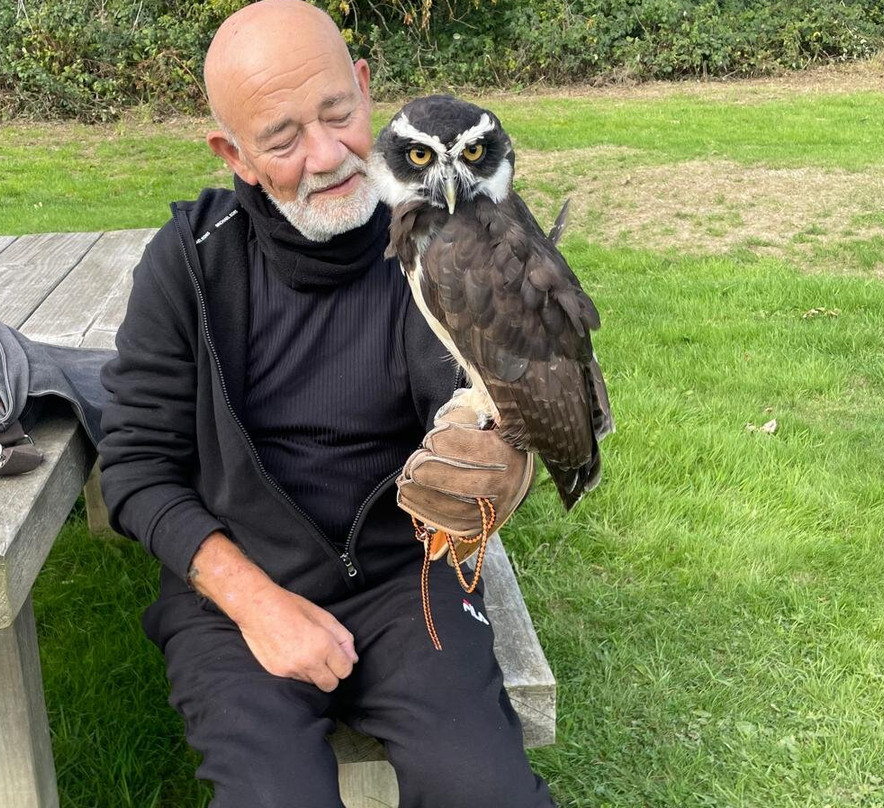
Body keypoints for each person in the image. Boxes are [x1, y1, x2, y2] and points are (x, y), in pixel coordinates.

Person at [98, 1, 557, 805]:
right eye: (280, 139)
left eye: (338, 114)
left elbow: (495, 408)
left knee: (486, 791)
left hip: (406, 577)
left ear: (365, 87)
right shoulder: (188, 266)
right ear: (232, 154)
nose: (328, 155)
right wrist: (255, 603)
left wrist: (501, 450)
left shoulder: (455, 247)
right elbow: (135, 468)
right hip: (235, 589)